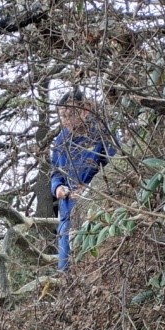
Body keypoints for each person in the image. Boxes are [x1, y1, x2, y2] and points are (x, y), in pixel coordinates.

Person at [51, 91, 118, 271]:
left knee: (91, 263)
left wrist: (91, 188)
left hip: (95, 208)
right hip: (67, 209)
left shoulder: (101, 133)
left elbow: (116, 168)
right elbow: (55, 173)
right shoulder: (61, 140)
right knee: (65, 266)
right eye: (63, 116)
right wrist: (57, 187)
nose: (66, 121)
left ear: (85, 110)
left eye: (71, 115)